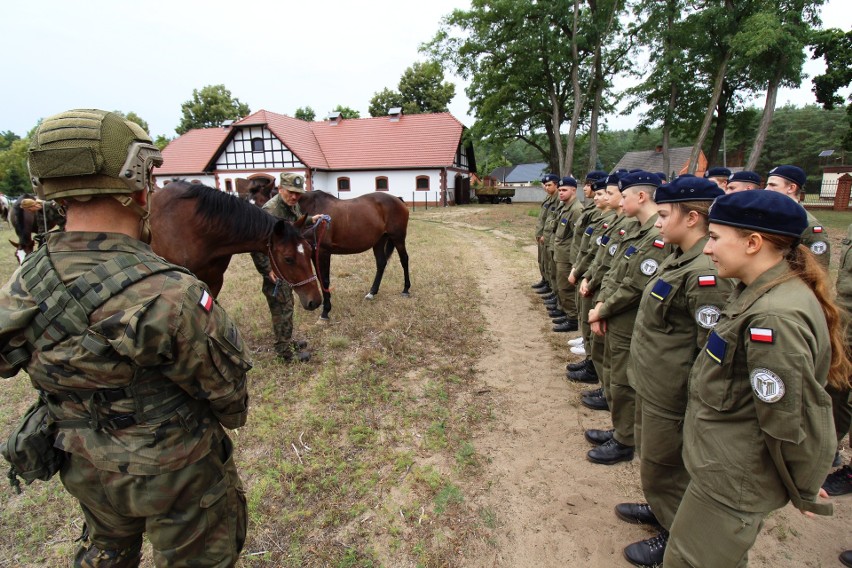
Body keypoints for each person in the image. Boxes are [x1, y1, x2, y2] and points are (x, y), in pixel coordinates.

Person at [0, 109, 250, 566]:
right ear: (139, 188)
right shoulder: (172, 292)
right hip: (177, 477)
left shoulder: (20, 285)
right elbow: (230, 399)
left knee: (107, 552)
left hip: (84, 468)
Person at [664, 190, 850, 567]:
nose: (709, 248)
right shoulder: (760, 292)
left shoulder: (773, 317)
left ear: (753, 243)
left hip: (734, 476)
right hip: (723, 463)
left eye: (715, 238)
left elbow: (789, 417)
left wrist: (803, 484)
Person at [617, 176, 732, 567]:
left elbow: (709, 348)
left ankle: (674, 533)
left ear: (694, 217)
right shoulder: (679, 255)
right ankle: (661, 508)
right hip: (655, 382)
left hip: (674, 390)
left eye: (665, 215)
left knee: (669, 464)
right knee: (655, 459)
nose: (659, 223)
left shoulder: (705, 272)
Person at [586, 171, 671, 465]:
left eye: (624, 195)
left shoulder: (655, 237)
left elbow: (634, 285)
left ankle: (625, 440)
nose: (619, 202)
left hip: (629, 318)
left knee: (623, 381)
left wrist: (603, 309)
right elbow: (614, 270)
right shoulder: (636, 229)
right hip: (615, 314)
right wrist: (600, 304)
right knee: (615, 376)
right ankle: (621, 430)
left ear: (641, 196)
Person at [251, 173, 318, 362]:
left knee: (288, 304)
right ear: (280, 189)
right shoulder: (269, 211)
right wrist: (267, 270)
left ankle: (287, 340)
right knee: (281, 304)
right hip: (276, 268)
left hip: (288, 264)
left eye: (298, 193)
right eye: (291, 192)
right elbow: (257, 247)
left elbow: (295, 222)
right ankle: (284, 350)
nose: (295, 197)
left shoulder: (292, 205)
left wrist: (312, 219)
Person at [764, 164, 830, 269]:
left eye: (773, 185)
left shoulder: (809, 224)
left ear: (791, 188)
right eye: (767, 185)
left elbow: (818, 267)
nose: (766, 189)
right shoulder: (770, 215)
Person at [551, 176, 582, 332]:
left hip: (568, 256)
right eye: (560, 190)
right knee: (561, 286)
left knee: (566, 288)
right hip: (561, 253)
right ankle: (566, 312)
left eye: (564, 190)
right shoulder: (565, 206)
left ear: (574, 190)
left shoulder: (577, 210)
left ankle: (573, 319)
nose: (561, 193)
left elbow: (579, 238)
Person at [532, 174, 560, 293]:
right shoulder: (549, 198)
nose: (546, 187)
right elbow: (543, 218)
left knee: (549, 263)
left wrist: (544, 235)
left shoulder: (558, 200)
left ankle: (549, 285)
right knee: (542, 260)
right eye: (545, 185)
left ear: (556, 185)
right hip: (542, 235)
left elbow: (554, 220)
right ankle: (544, 280)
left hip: (548, 236)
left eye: (549, 185)